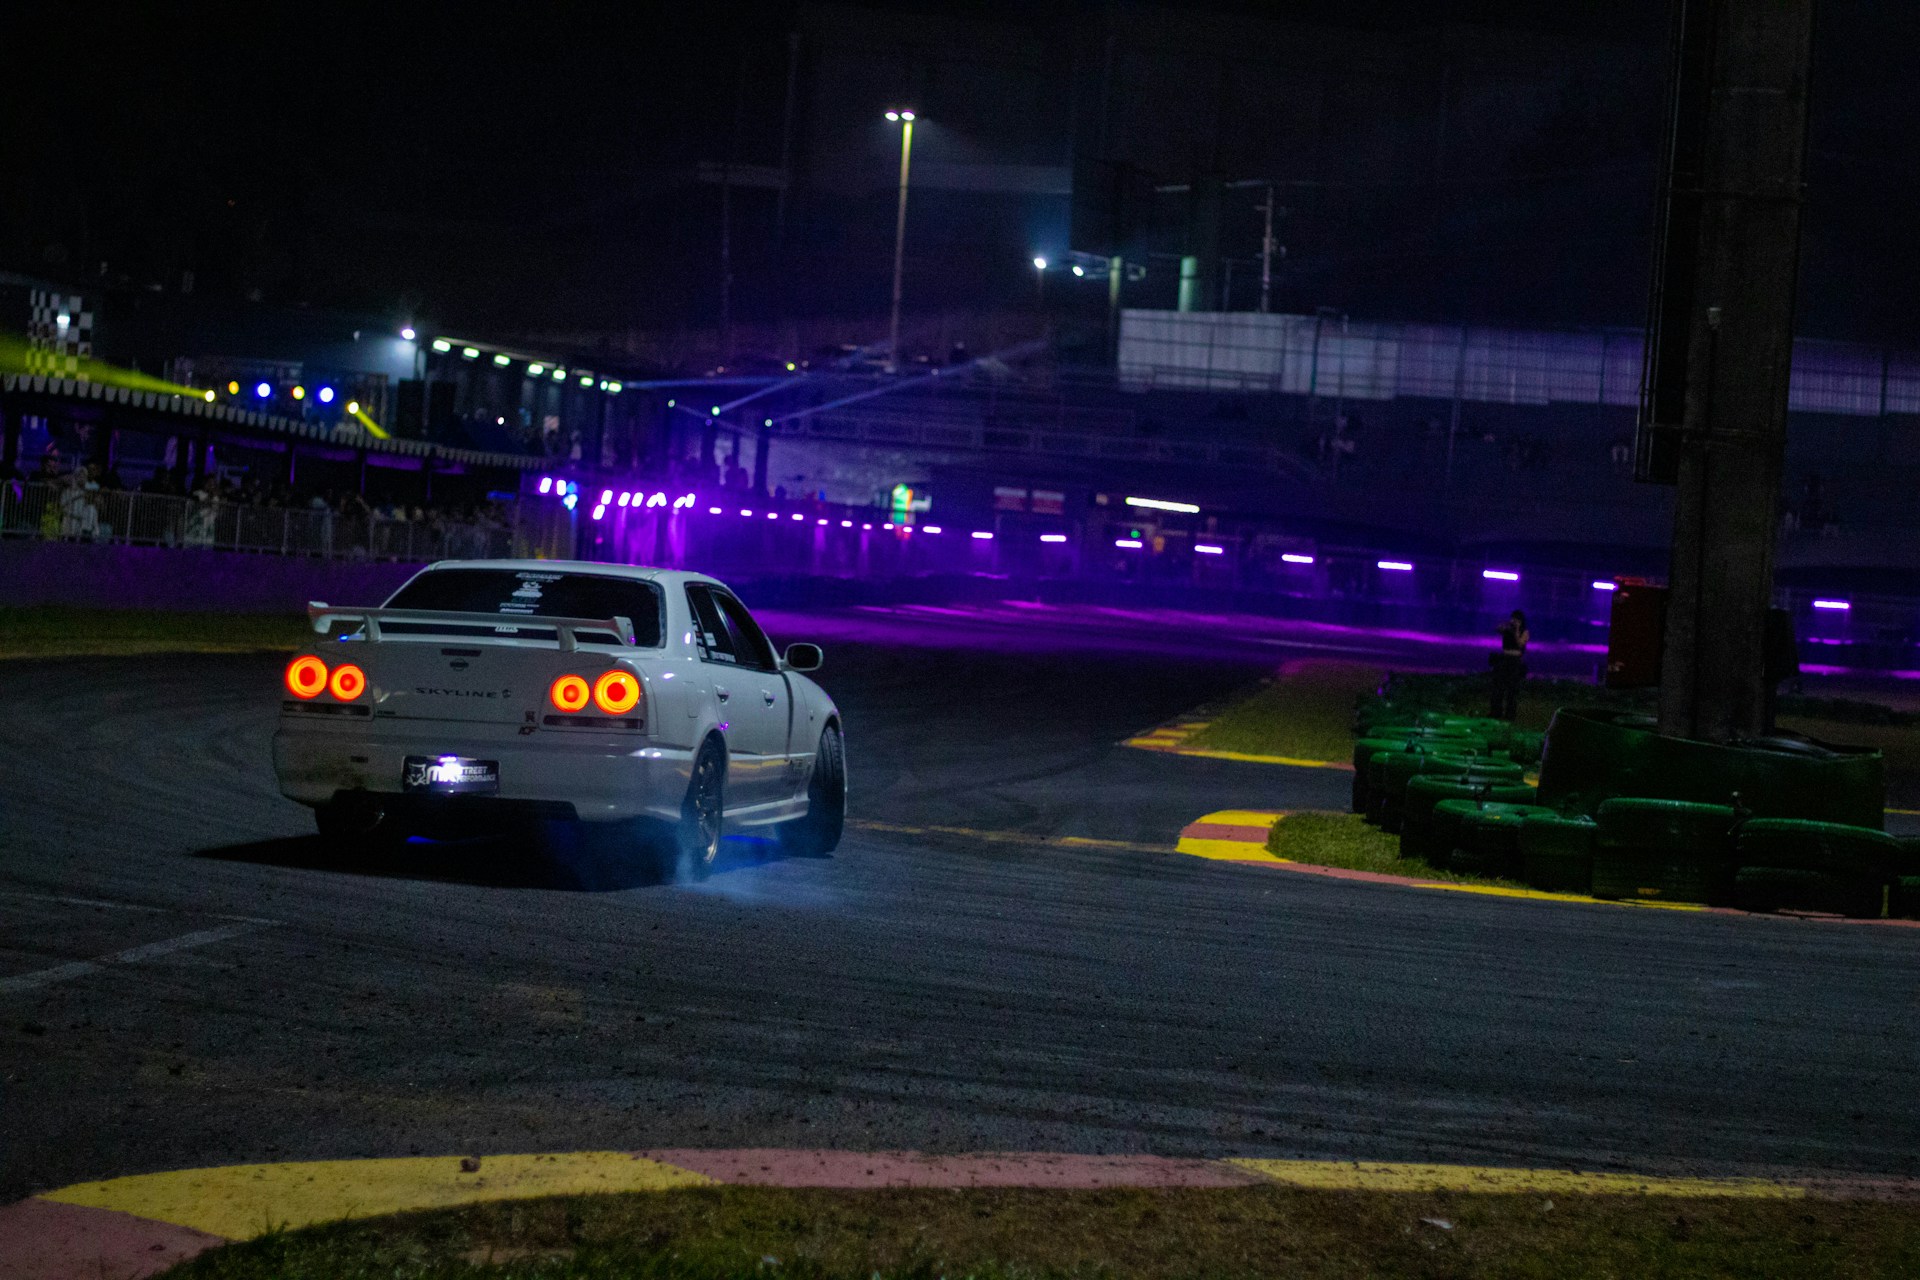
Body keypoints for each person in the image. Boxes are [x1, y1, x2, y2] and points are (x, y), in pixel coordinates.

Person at [1489, 609, 1529, 720]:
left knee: (1512, 689)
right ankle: (1496, 712)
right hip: (1504, 658)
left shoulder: (1524, 631)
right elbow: (1498, 629)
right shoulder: (1507, 629)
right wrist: (1506, 626)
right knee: (1498, 687)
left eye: (1516, 620)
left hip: (1515, 660)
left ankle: (1509, 715)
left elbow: (1520, 644)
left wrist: (1516, 631)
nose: (1514, 621)